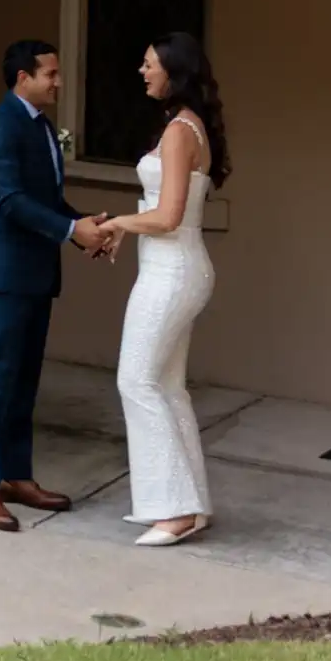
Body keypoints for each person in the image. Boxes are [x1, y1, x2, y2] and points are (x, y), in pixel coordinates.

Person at [0, 35, 116, 532]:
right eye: (50, 74)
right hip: (3, 278)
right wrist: (72, 230)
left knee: (24, 381)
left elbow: (47, 200)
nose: (59, 82)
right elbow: (9, 201)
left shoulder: (44, 128)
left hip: (36, 276)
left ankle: (14, 476)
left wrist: (84, 227)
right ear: (22, 78)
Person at [90, 29, 228, 545]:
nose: (142, 71)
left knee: (137, 381)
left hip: (172, 272)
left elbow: (168, 216)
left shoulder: (178, 133)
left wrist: (120, 224)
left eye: (150, 64)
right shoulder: (189, 127)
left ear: (175, 71)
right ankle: (190, 506)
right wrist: (131, 227)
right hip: (180, 268)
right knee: (167, 386)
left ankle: (174, 510)